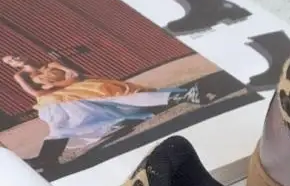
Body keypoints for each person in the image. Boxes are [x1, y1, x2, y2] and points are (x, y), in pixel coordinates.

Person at [2, 55, 202, 145]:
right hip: (63, 96)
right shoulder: (20, 76)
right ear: (12, 66)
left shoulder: (51, 63)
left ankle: (179, 96)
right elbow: (36, 94)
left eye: (15, 56)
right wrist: (58, 88)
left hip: (81, 86)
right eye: (11, 61)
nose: (15, 59)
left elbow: (75, 76)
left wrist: (56, 86)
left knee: (120, 97)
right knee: (59, 106)